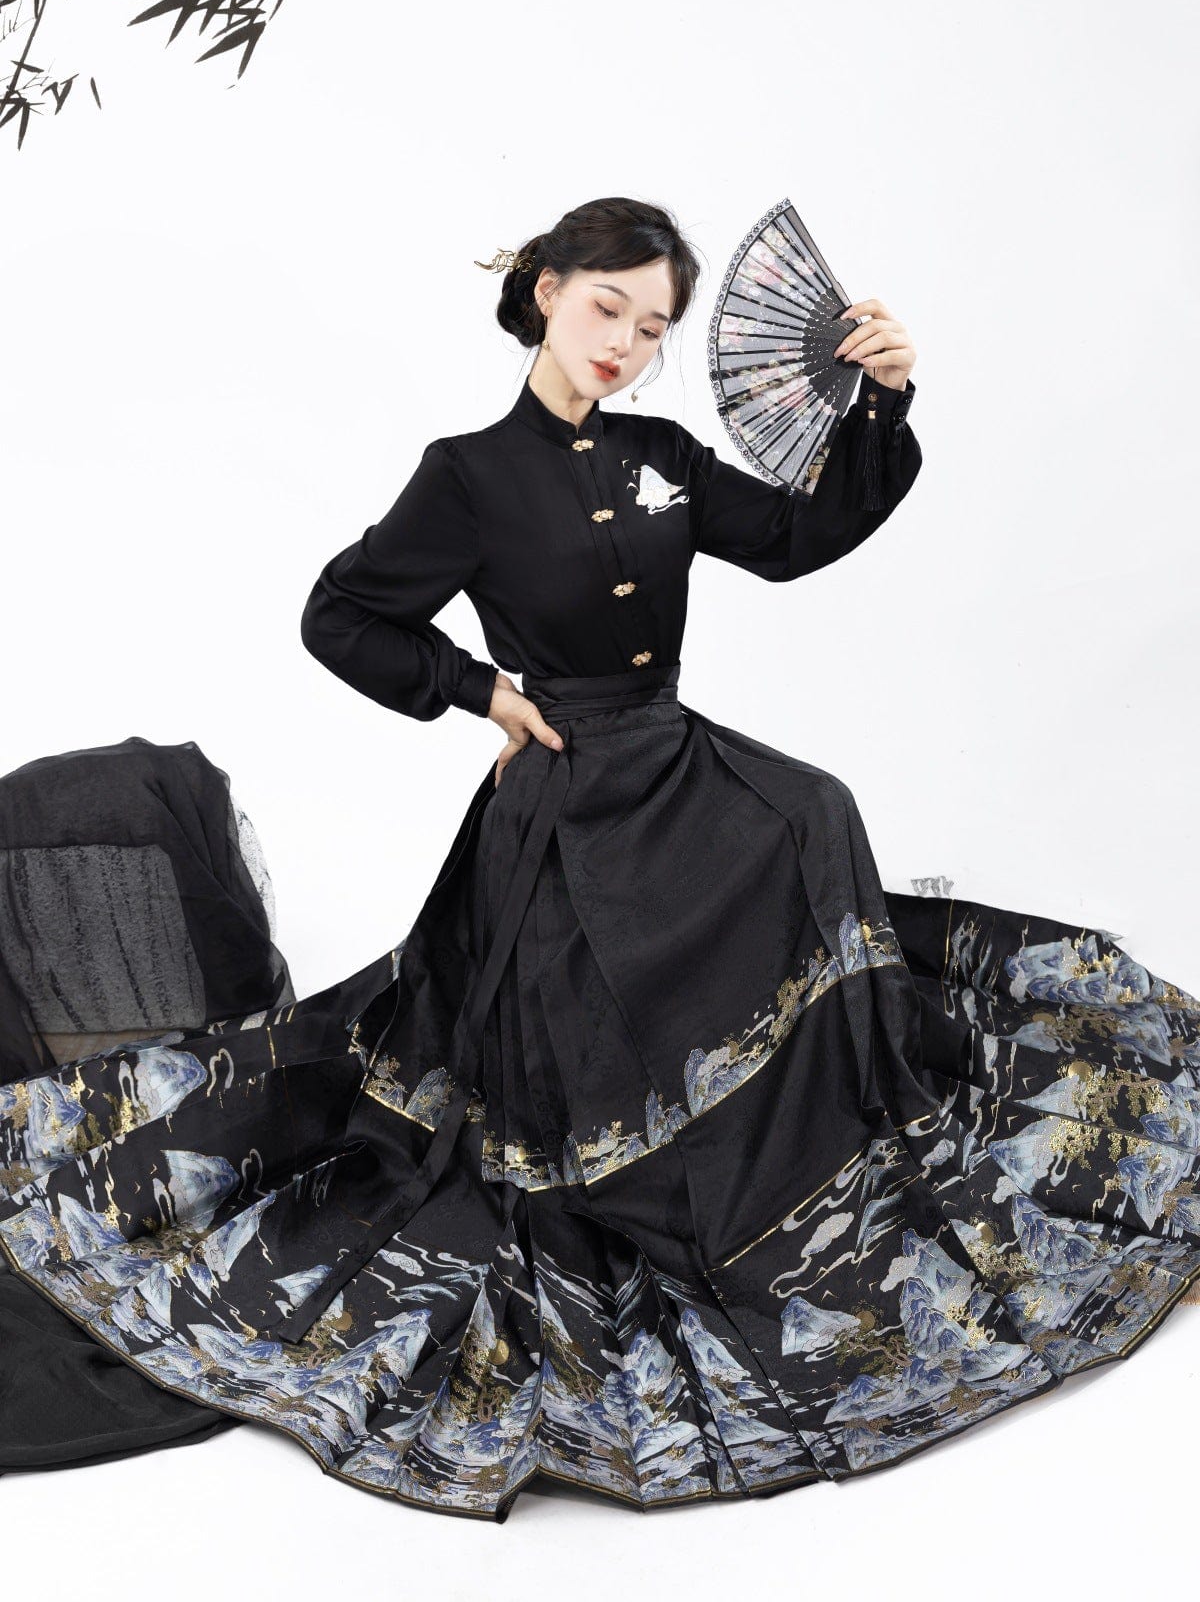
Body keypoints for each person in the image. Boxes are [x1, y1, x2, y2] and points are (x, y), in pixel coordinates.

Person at [0, 195, 1195, 1522]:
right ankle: (663, 1167)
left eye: (655, 323)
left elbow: (796, 540)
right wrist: (481, 691)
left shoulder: (662, 453)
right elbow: (341, 614)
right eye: (606, 306)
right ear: (547, 292)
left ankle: (819, 1132)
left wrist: (883, 404)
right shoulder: (467, 473)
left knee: (815, 810)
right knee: (580, 997)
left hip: (670, 749)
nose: (626, 340)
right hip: (562, 789)